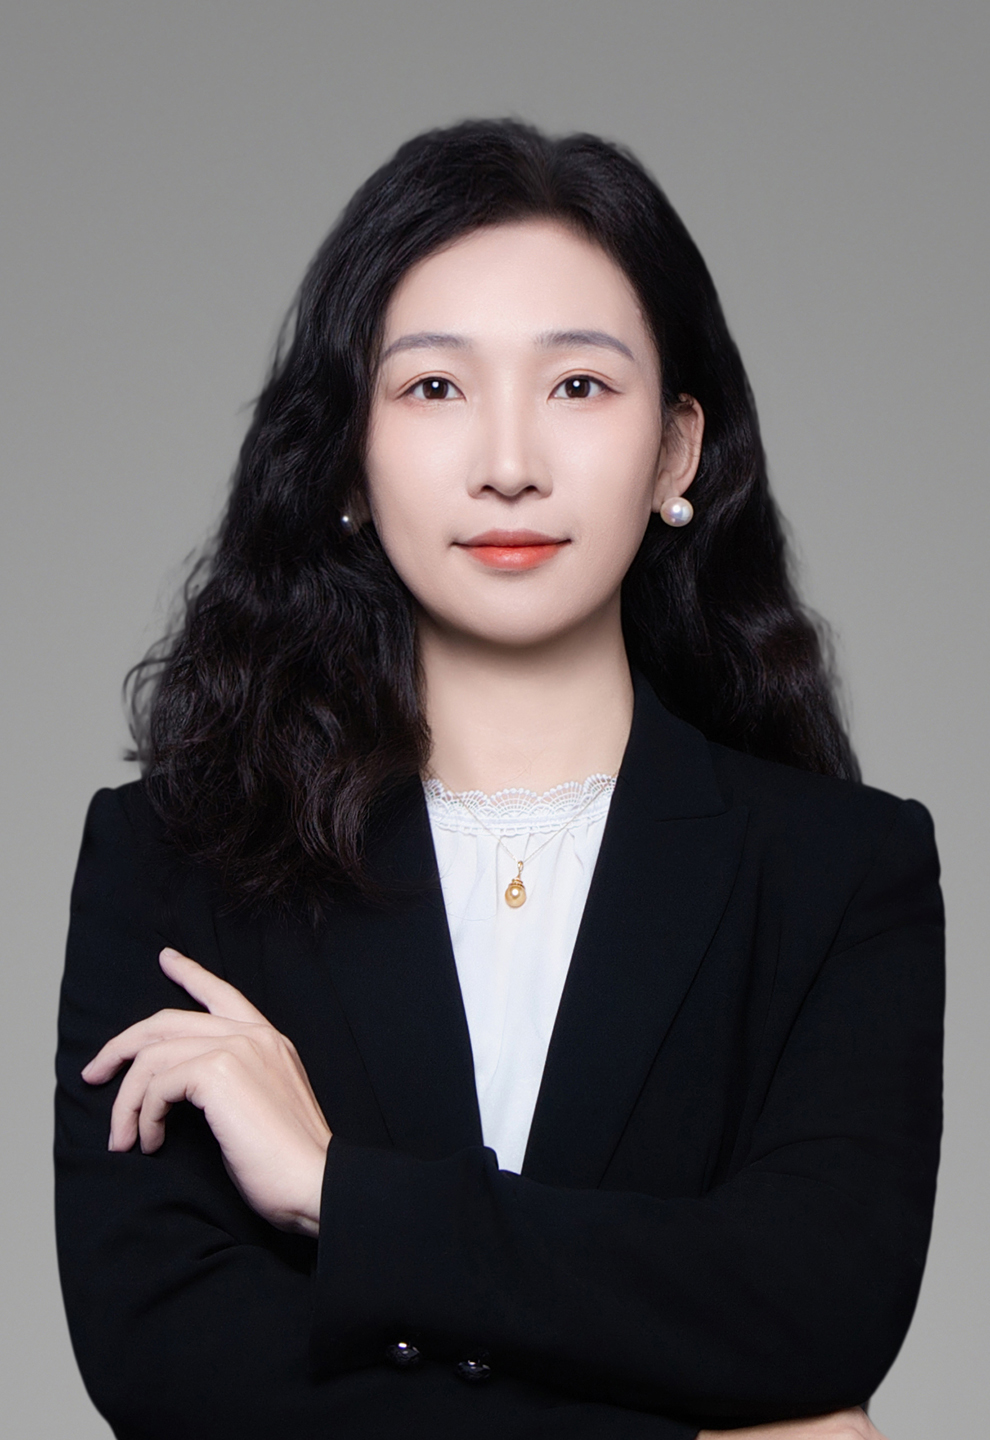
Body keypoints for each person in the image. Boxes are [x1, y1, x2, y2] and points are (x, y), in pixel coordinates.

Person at [54, 120, 944, 1440]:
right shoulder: (172, 858)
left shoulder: (841, 871)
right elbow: (169, 1360)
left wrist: (339, 1196)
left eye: (578, 385)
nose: (510, 462)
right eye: (433, 388)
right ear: (349, 458)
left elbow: (817, 1303)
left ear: (676, 452)